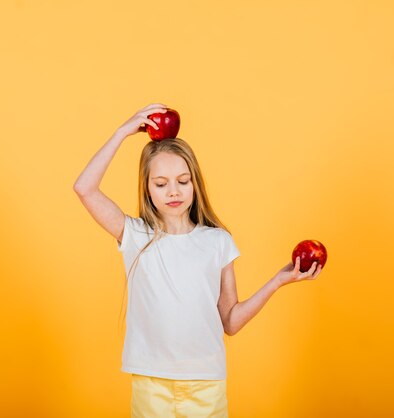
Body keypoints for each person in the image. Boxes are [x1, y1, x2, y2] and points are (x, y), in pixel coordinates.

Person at [73, 103, 322, 417]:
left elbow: (230, 322)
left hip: (206, 383)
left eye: (183, 181)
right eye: (161, 184)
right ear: (147, 189)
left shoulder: (217, 241)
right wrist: (123, 131)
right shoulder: (135, 235)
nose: (173, 191)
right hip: (152, 382)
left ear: (195, 182)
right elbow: (84, 188)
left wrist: (277, 281)